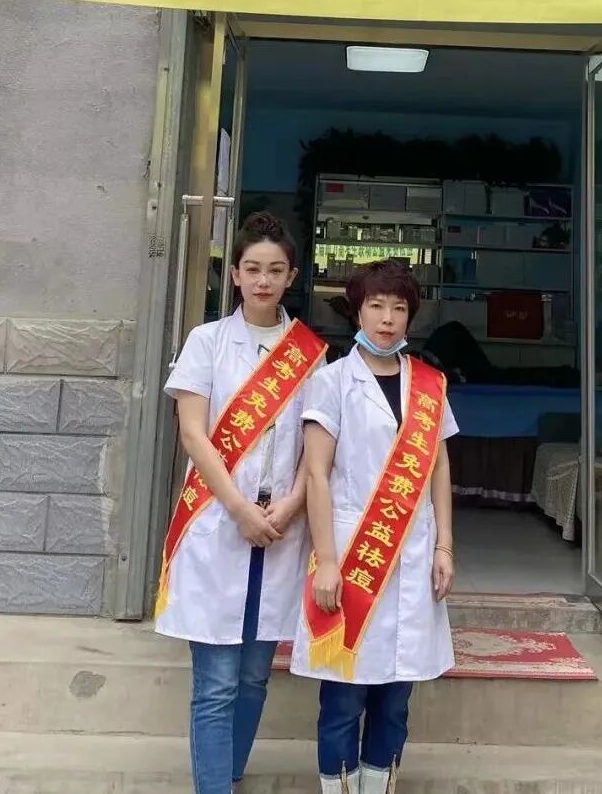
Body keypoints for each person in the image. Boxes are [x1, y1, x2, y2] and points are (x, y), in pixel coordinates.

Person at [155, 212, 329, 794]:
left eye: (275, 270)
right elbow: (193, 434)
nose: (263, 280)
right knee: (216, 684)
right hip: (219, 517)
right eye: (252, 268)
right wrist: (238, 509)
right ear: (234, 274)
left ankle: (228, 775)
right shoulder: (206, 341)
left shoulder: (310, 353)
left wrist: (293, 503)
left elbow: (317, 445)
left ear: (292, 276)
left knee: (255, 676)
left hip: (280, 524)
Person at [292, 259, 458, 794]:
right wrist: (327, 560)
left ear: (411, 316)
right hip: (351, 556)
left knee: (396, 698)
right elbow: (316, 474)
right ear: (357, 311)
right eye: (376, 306)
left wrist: (445, 546)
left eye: (399, 308)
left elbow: (438, 468)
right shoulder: (331, 382)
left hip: (413, 554)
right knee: (343, 697)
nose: (387, 319)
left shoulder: (429, 384)